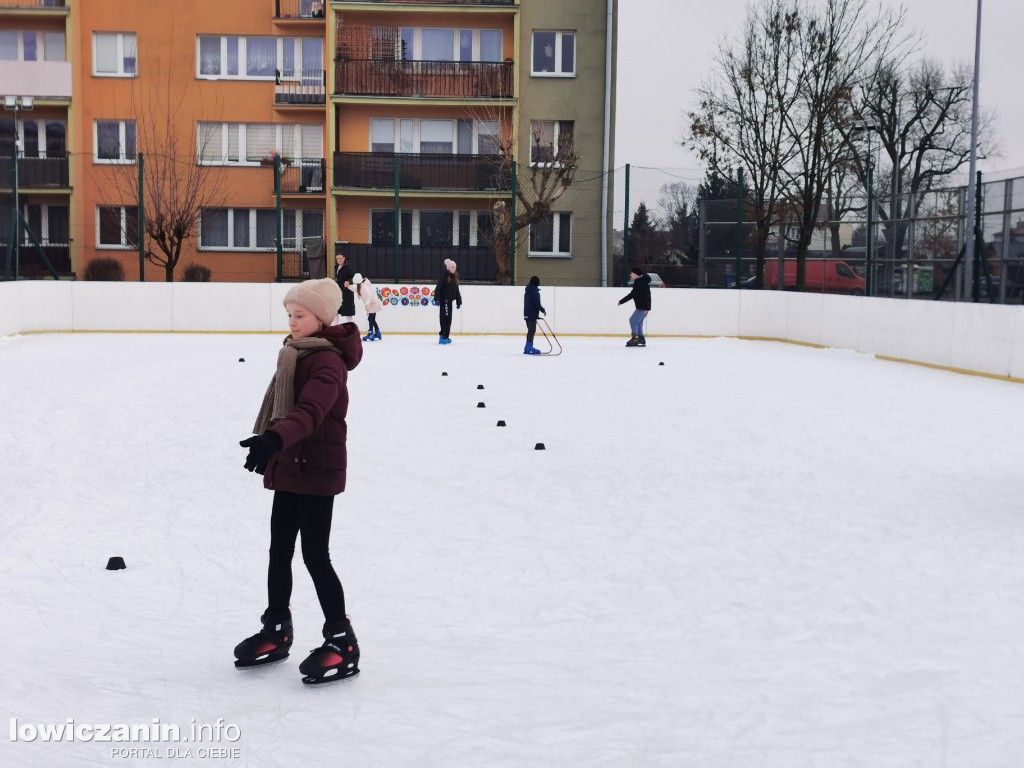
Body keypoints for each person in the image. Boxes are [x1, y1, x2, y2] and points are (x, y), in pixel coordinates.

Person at [234, 278, 364, 686]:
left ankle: (342, 640)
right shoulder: (294, 354)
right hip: (292, 464)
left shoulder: (327, 363)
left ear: (321, 318)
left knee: (314, 556)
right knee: (279, 551)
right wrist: (275, 445)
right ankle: (277, 627)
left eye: (300, 315)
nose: (292, 322)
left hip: (316, 468)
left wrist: (274, 437)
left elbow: (309, 412)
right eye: (289, 314)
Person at [618, 267, 652, 347]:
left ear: (636, 274)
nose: (631, 275)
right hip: (641, 307)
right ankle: (641, 339)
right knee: (639, 323)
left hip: (643, 308)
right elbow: (632, 294)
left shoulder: (642, 283)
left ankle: (635, 338)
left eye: (632, 274)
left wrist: (647, 308)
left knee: (632, 320)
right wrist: (621, 301)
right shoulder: (638, 282)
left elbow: (647, 296)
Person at [434, 258, 462, 345]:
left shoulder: (455, 277)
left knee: (449, 319)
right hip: (444, 301)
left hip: (449, 302)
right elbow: (438, 289)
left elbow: (457, 291)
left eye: (454, 267)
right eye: (452, 267)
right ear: (448, 268)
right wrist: (437, 299)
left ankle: (446, 336)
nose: (453, 268)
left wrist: (458, 301)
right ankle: (442, 336)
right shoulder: (444, 277)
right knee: (444, 319)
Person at [349, 272, 383, 342]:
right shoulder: (361, 285)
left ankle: (370, 334)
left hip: (373, 304)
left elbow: (370, 294)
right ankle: (378, 333)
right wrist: (348, 286)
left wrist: (367, 303)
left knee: (370, 319)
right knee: (372, 319)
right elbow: (356, 289)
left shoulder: (364, 287)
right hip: (373, 304)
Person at [523, 275, 546, 355]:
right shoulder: (535, 292)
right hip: (532, 314)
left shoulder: (527, 291)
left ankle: (528, 347)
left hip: (526, 314)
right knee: (532, 330)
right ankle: (529, 347)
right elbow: (537, 304)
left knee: (530, 330)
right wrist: (543, 310)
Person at [335, 253, 356, 322]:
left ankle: (351, 330)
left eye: (340, 258)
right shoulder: (336, 267)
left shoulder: (348, 268)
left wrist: (349, 281)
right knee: (335, 312)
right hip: (338, 292)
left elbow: (354, 277)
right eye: (337, 259)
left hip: (347, 293)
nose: (339, 260)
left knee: (348, 314)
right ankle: (335, 328)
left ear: (344, 258)